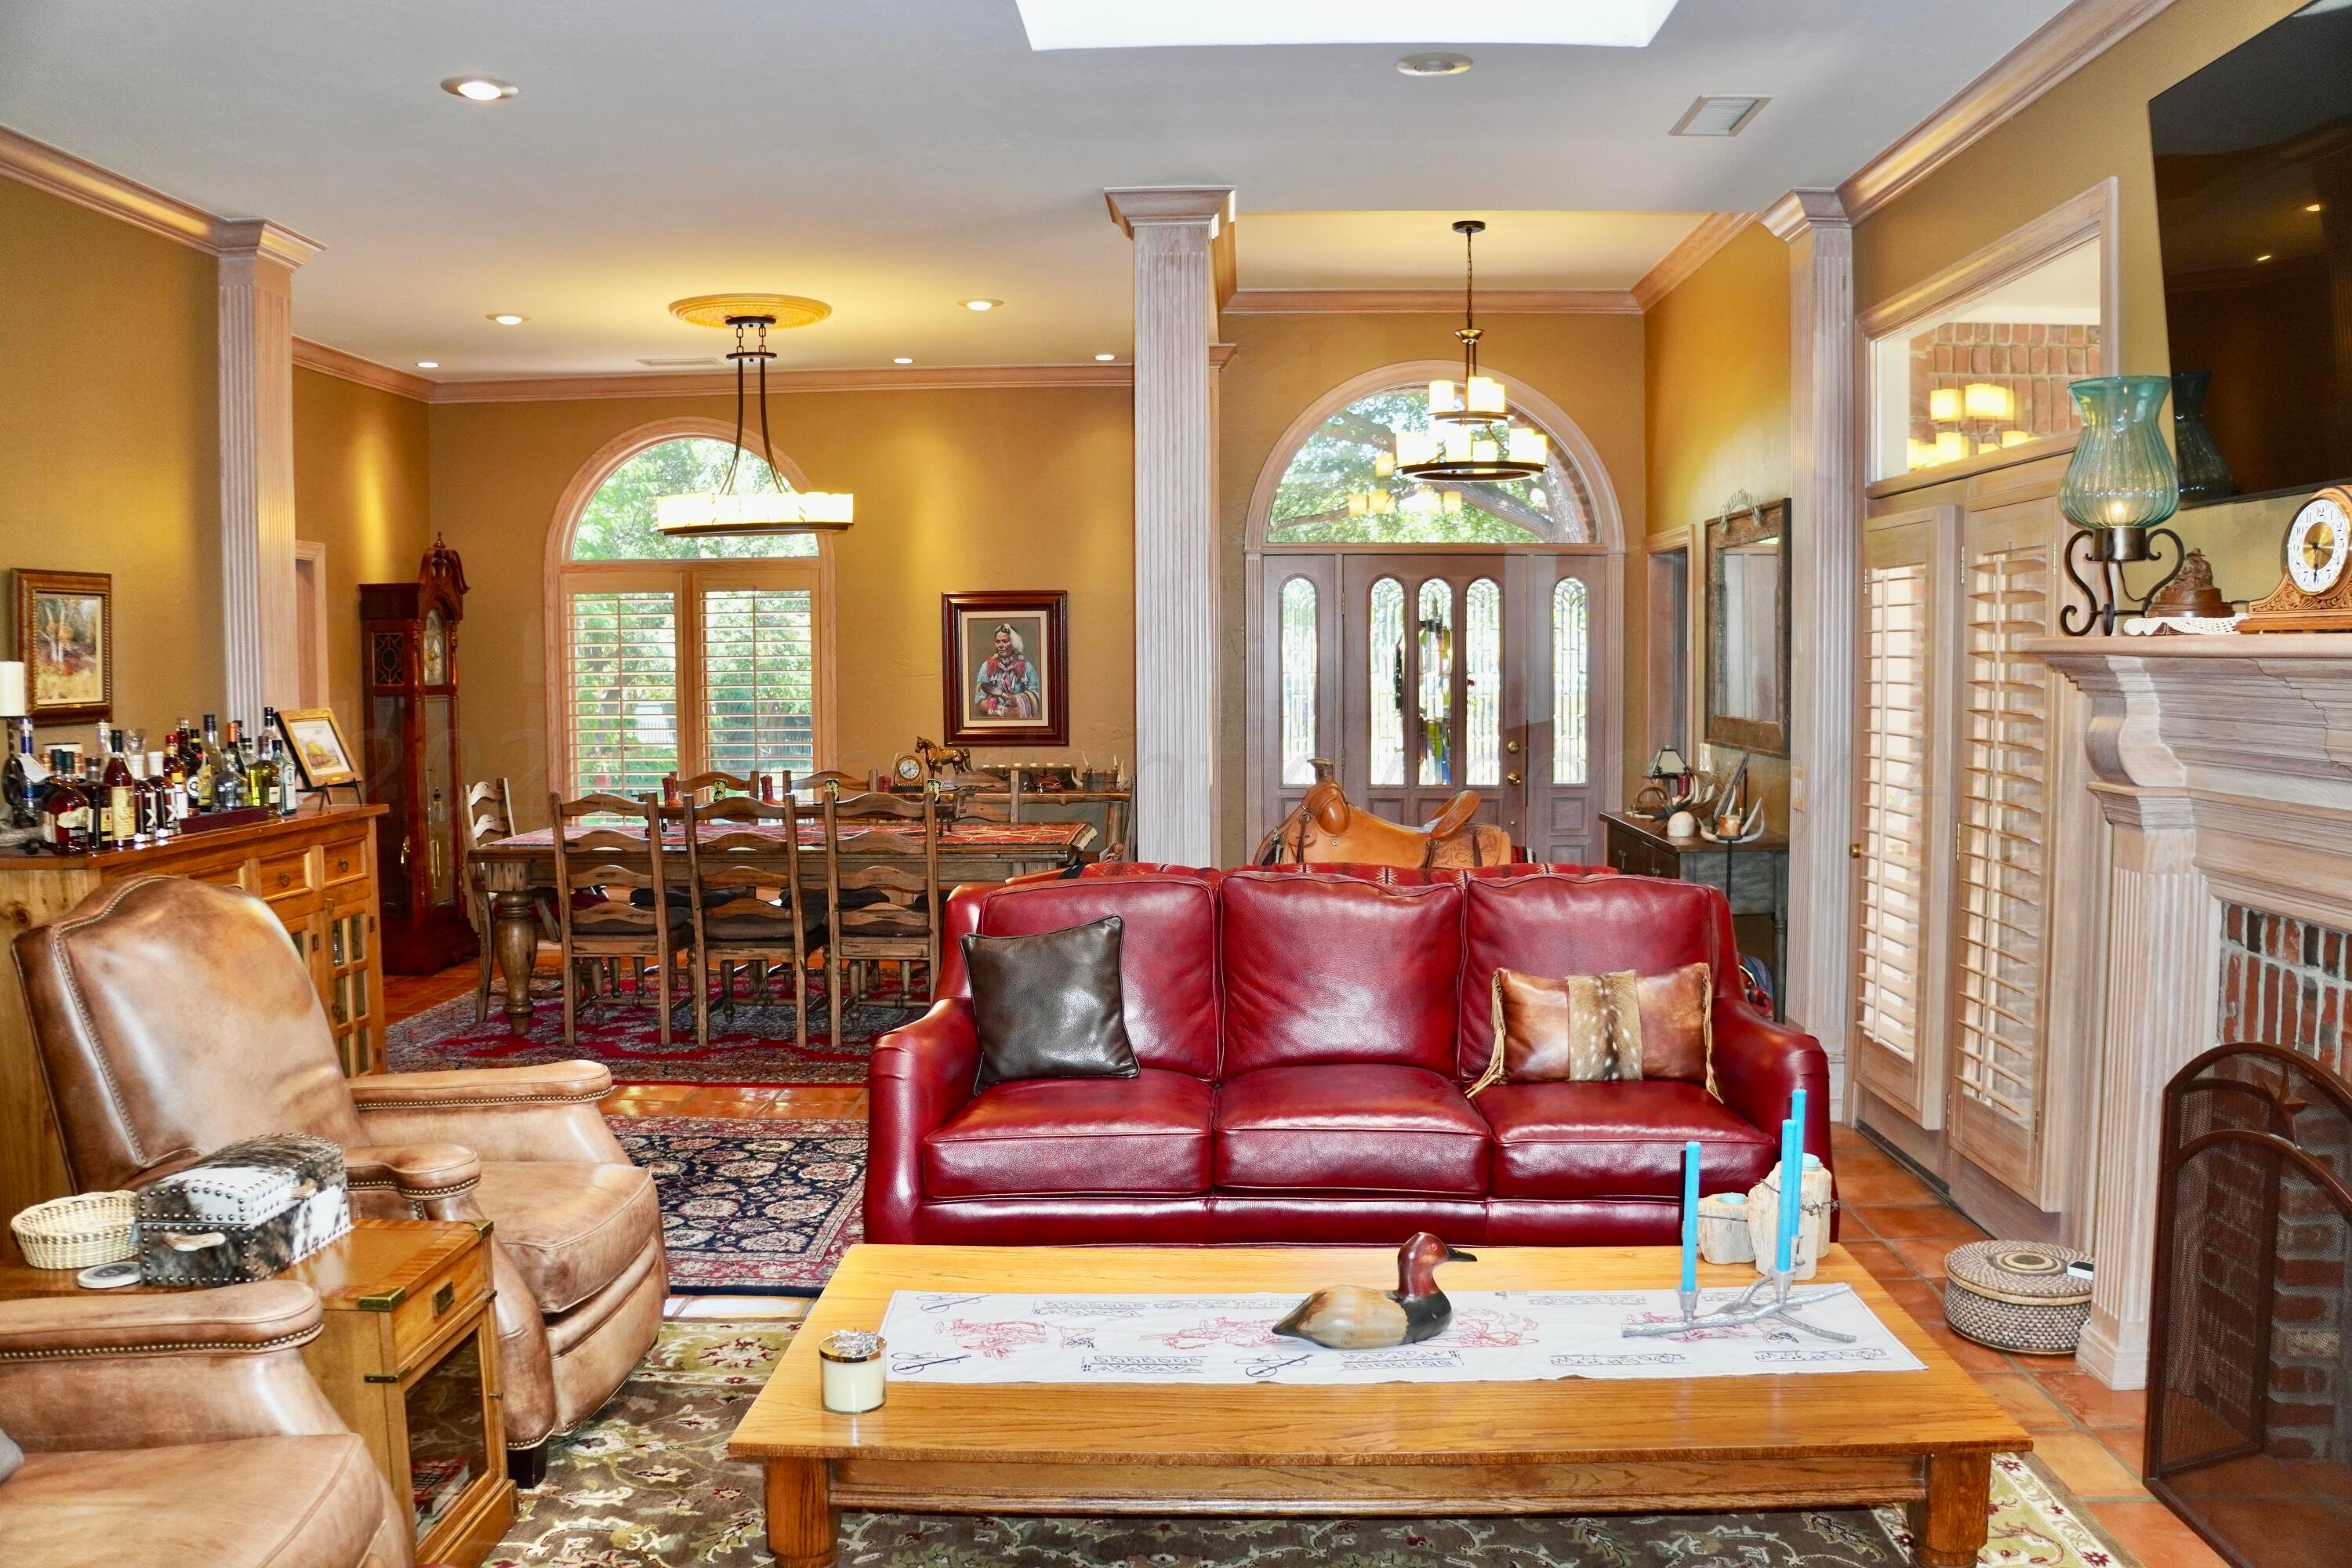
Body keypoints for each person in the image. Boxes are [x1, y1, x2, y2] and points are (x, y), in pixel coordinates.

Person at [973, 623, 1040, 720]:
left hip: (1021, 721)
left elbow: (1038, 697)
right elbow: (980, 702)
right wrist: (1003, 711)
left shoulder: (1027, 667)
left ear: (1014, 643)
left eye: (1005, 641)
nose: (1000, 645)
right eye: (998, 642)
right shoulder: (986, 667)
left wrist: (1017, 699)